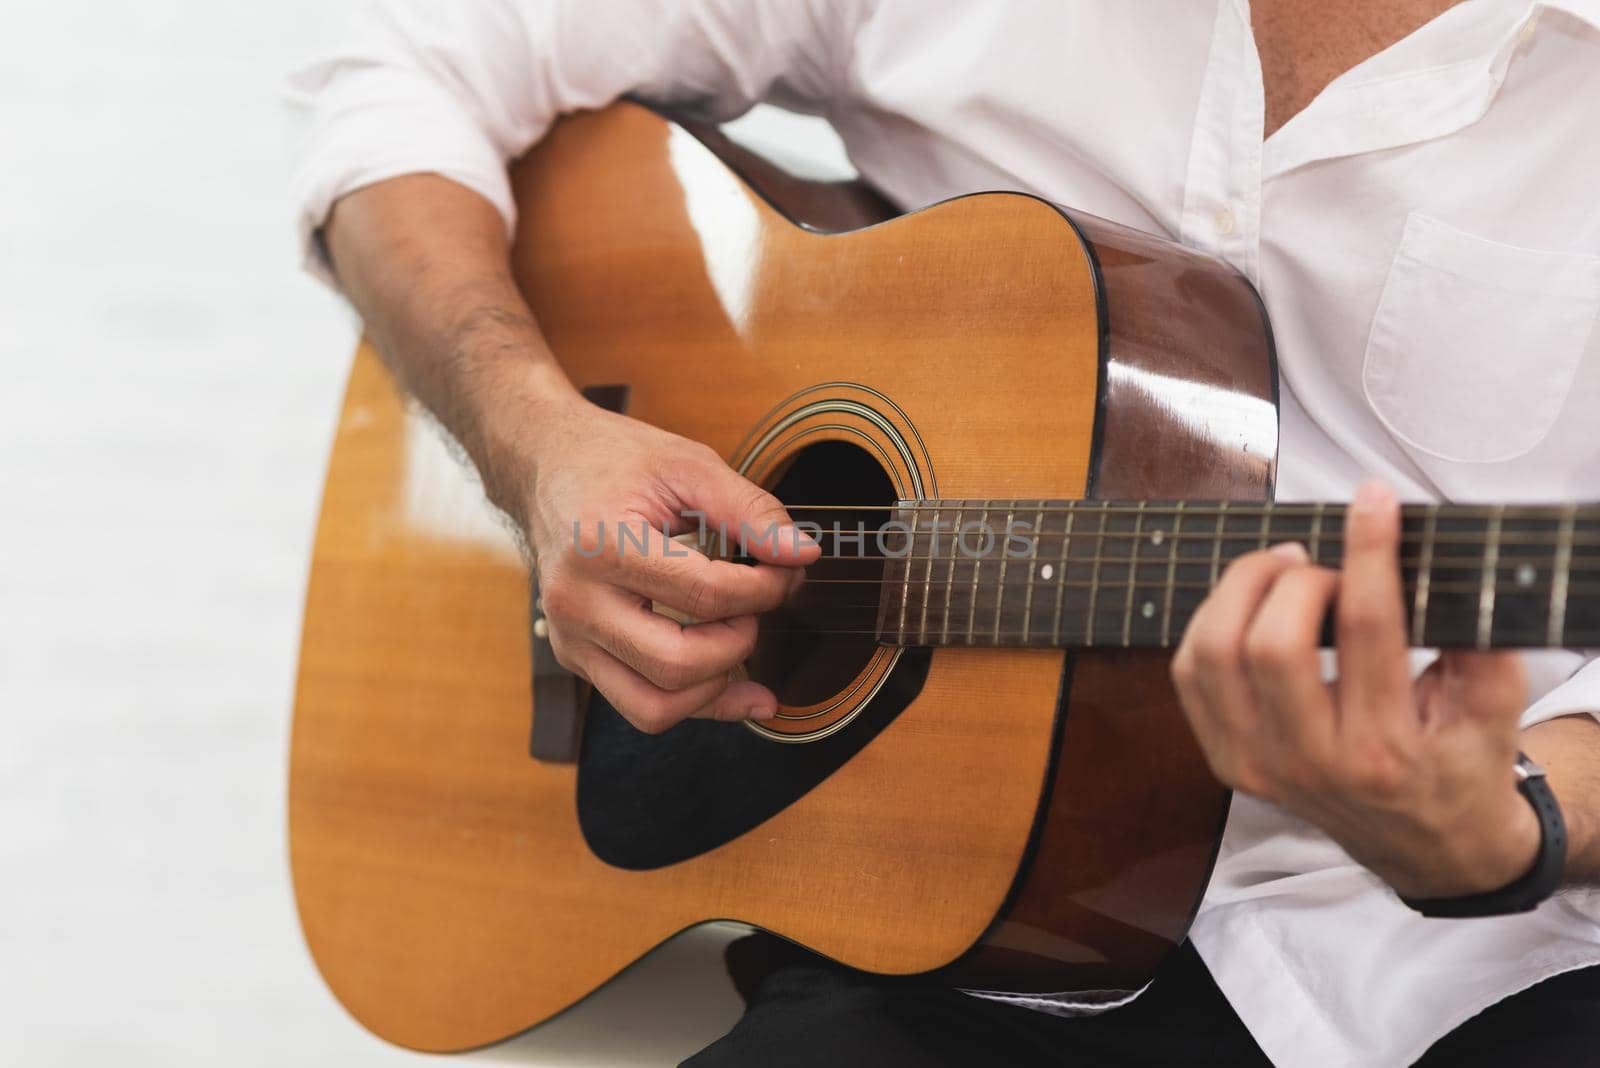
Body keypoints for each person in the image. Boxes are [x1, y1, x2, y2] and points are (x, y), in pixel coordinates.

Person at [284, 2, 1600, 1064]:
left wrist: (1507, 822)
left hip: (1486, 960)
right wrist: (536, 445)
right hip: (960, 926)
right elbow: (400, 61)